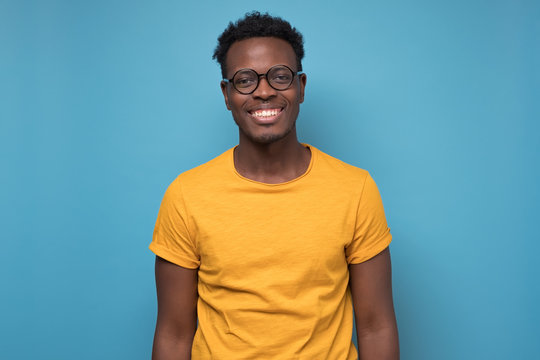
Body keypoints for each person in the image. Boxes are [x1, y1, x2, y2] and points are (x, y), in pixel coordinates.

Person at [150, 11, 399, 360]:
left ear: (301, 87)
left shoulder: (355, 189)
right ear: (226, 94)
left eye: (280, 77)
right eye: (245, 80)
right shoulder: (186, 195)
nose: (264, 91)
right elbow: (174, 334)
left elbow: (376, 326)